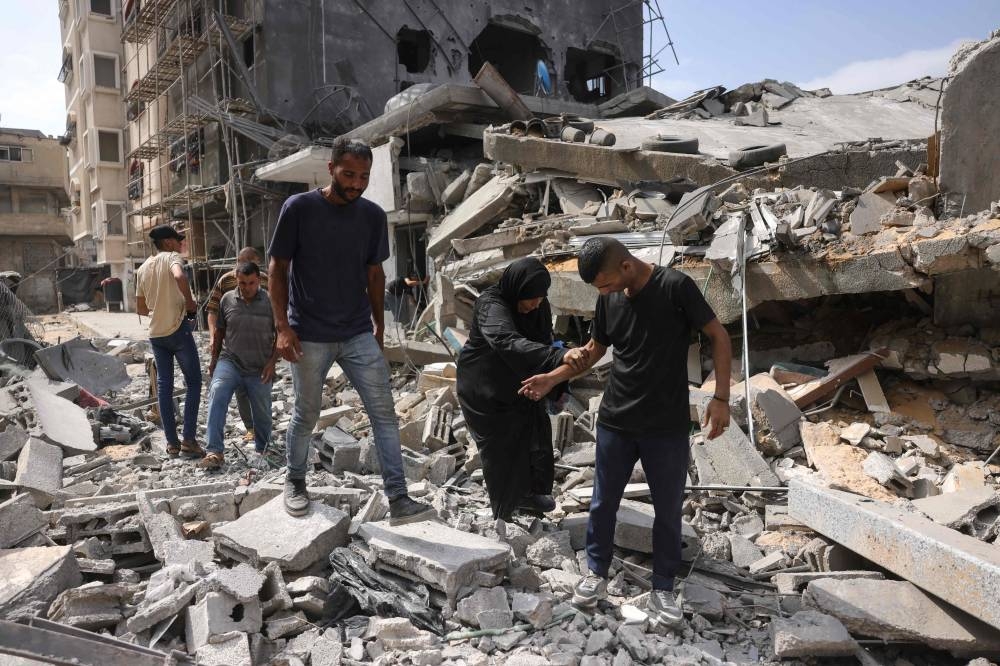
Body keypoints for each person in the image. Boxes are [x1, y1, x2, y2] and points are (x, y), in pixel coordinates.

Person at [520, 237, 732, 629]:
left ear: (626, 267)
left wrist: (720, 397)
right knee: (603, 503)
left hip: (665, 426)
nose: (602, 293)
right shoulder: (609, 299)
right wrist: (553, 377)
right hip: (617, 421)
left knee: (668, 510)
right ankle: (595, 576)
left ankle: (663, 588)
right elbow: (595, 350)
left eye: (603, 283)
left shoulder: (675, 287)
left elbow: (718, 337)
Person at [268, 137, 434, 524]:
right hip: (308, 332)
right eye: (348, 174)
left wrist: (379, 323)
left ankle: (399, 499)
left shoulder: (372, 216)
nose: (356, 183)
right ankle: (295, 482)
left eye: (363, 176)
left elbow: (374, 273)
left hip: (358, 330)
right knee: (306, 414)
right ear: (331, 169)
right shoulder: (299, 208)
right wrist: (282, 327)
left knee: (384, 416)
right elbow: (278, 268)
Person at [456, 257, 568, 521]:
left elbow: (542, 340)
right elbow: (506, 341)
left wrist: (554, 377)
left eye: (541, 298)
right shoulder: (491, 304)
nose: (536, 304)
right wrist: (557, 357)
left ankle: (531, 499)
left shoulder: (537, 304)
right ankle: (503, 519)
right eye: (530, 298)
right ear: (516, 289)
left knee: (535, 436)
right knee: (501, 452)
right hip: (484, 390)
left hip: (520, 383)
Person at [136, 225, 205, 459]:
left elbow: (141, 307)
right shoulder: (172, 258)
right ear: (167, 243)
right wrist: (189, 303)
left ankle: (172, 444)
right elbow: (179, 275)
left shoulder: (143, 268)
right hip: (178, 330)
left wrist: (160, 310)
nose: (180, 244)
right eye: (177, 240)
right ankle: (188, 440)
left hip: (157, 335)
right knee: (194, 382)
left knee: (164, 387)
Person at [202, 261, 278, 469]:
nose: (247, 288)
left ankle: (262, 448)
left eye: (252, 283)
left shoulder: (271, 302)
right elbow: (219, 332)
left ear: (258, 281)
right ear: (237, 280)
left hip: (260, 366)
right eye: (243, 283)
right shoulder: (227, 300)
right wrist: (214, 361)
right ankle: (214, 451)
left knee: (262, 410)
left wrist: (272, 363)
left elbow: (281, 334)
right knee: (217, 392)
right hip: (231, 361)